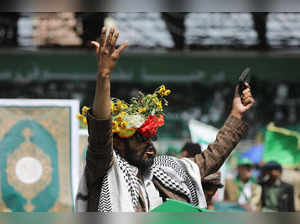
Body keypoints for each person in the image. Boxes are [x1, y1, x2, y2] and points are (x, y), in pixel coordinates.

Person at [75, 27, 255, 212]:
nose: (150, 145)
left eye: (152, 137)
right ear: (118, 143)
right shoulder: (104, 169)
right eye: (142, 139)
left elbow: (211, 158)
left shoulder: (164, 173)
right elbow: (100, 133)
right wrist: (104, 76)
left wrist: (236, 113)